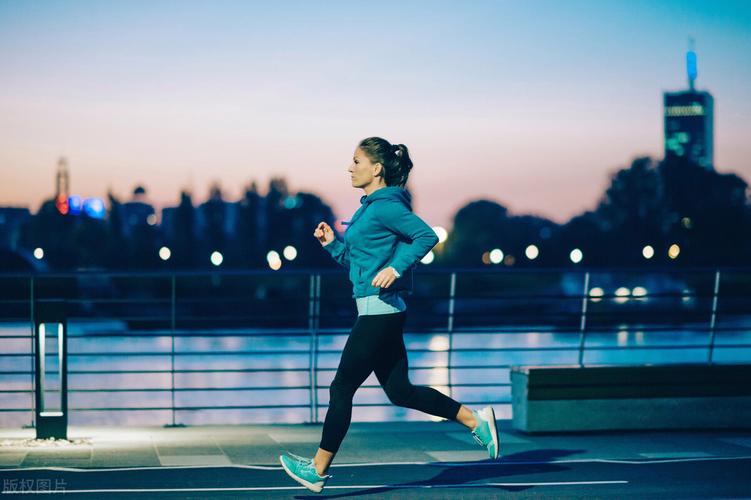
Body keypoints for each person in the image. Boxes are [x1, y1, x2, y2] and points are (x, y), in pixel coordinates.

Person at [279, 137, 500, 493]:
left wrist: (396, 269)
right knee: (400, 392)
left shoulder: (386, 207)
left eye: (356, 161)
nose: (350, 168)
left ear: (376, 168)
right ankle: (475, 420)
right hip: (379, 310)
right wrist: (332, 244)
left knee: (341, 388)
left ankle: (317, 470)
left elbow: (425, 237)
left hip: (379, 313)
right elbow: (359, 265)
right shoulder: (369, 209)